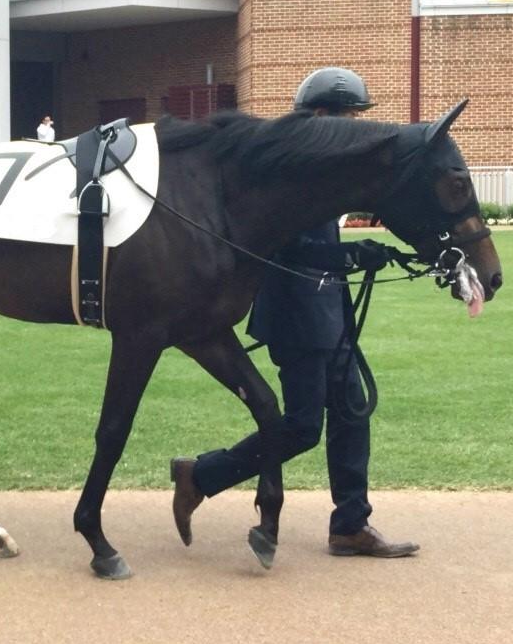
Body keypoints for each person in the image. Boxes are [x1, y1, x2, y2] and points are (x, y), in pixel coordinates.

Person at [171, 67, 420, 559]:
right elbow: (287, 251)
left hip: (330, 309)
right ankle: (200, 474)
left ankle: (350, 524)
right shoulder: (285, 169)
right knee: (302, 427)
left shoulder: (324, 167)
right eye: (350, 116)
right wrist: (351, 256)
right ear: (322, 116)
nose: (355, 126)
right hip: (295, 315)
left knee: (351, 412)